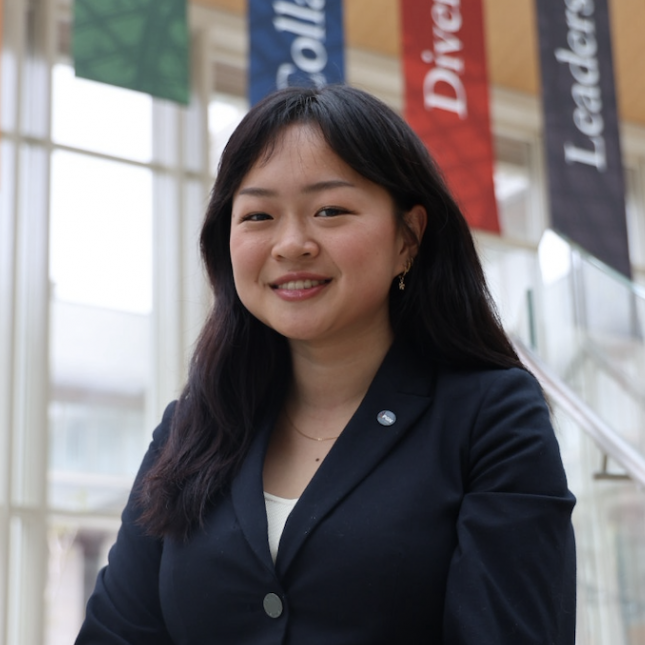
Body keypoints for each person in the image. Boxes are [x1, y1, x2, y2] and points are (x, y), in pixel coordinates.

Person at [76, 84, 576, 644]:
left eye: (330, 210)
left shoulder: (491, 416)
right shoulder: (191, 427)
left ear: (408, 237)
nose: (291, 244)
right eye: (258, 215)